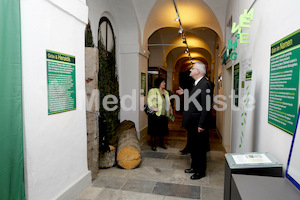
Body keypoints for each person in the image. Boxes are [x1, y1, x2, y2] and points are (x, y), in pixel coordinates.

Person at [176, 62, 211, 180]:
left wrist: (202, 124)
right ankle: (194, 167)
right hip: (192, 123)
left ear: (198, 71)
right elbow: (195, 97)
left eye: (192, 69)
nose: (190, 70)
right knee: (194, 147)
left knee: (200, 149)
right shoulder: (197, 84)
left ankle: (200, 172)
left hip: (198, 123)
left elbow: (206, 107)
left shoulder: (205, 84)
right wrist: (185, 93)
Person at [147, 77, 173, 151]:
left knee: (162, 129)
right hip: (155, 114)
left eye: (164, 82)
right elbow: (149, 100)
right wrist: (153, 107)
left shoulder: (166, 92)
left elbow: (168, 102)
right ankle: (153, 144)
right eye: (163, 82)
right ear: (159, 83)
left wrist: (171, 109)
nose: (164, 84)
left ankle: (161, 144)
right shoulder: (153, 91)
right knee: (154, 130)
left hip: (164, 114)